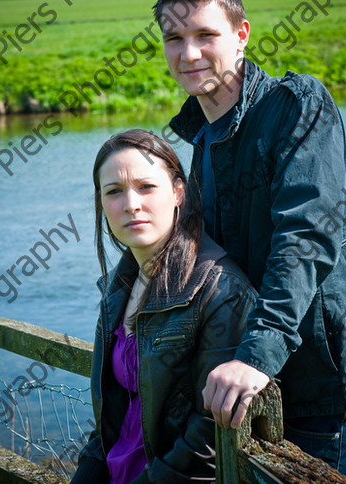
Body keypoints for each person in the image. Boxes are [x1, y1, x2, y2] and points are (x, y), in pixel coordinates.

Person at [152, 0, 346, 481]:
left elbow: (304, 238)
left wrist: (256, 356)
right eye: (174, 39)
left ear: (241, 34)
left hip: (320, 396)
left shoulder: (297, 107)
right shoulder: (199, 143)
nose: (189, 54)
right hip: (240, 395)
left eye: (206, 35)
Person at [70, 129, 257, 483]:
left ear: (178, 192)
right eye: (113, 192)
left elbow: (208, 441)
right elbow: (111, 415)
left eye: (146, 187)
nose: (130, 204)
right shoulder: (117, 288)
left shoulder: (221, 291)